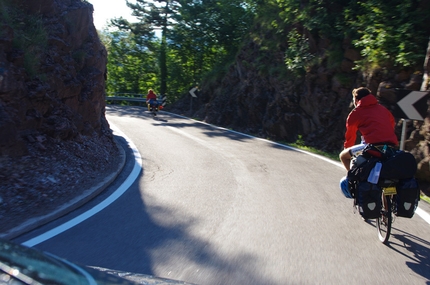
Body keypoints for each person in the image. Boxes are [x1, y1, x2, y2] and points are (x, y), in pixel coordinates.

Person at [339, 87, 398, 171]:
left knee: (343, 156)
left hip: (372, 147)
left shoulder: (356, 113)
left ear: (356, 99)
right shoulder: (383, 109)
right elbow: (392, 124)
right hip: (389, 147)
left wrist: (347, 149)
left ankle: (351, 177)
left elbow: (350, 135)